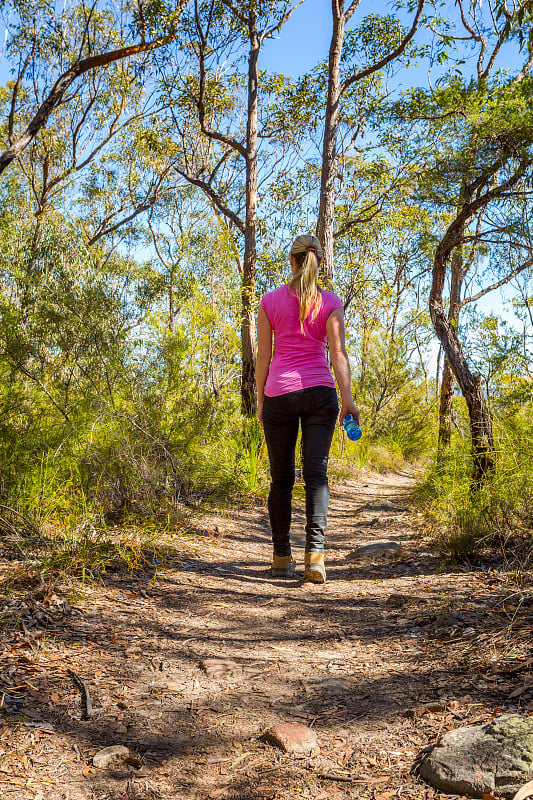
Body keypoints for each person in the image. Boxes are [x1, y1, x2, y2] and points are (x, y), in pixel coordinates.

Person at [256, 234, 360, 584]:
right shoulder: (330, 302)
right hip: (320, 394)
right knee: (316, 475)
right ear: (319, 262)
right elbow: (338, 353)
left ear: (292, 261)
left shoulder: (269, 301)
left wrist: (260, 401)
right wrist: (347, 400)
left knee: (281, 479)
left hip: (279, 395)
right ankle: (315, 557)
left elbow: (263, 358)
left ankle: (281, 557)